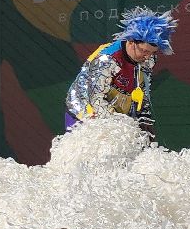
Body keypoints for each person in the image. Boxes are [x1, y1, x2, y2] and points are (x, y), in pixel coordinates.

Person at [64, 7, 176, 138]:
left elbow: (142, 90)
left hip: (117, 108)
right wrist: (122, 126)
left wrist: (144, 119)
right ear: (131, 41)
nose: (148, 57)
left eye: (152, 52)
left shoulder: (148, 59)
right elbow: (95, 100)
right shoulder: (107, 60)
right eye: (144, 51)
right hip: (83, 110)